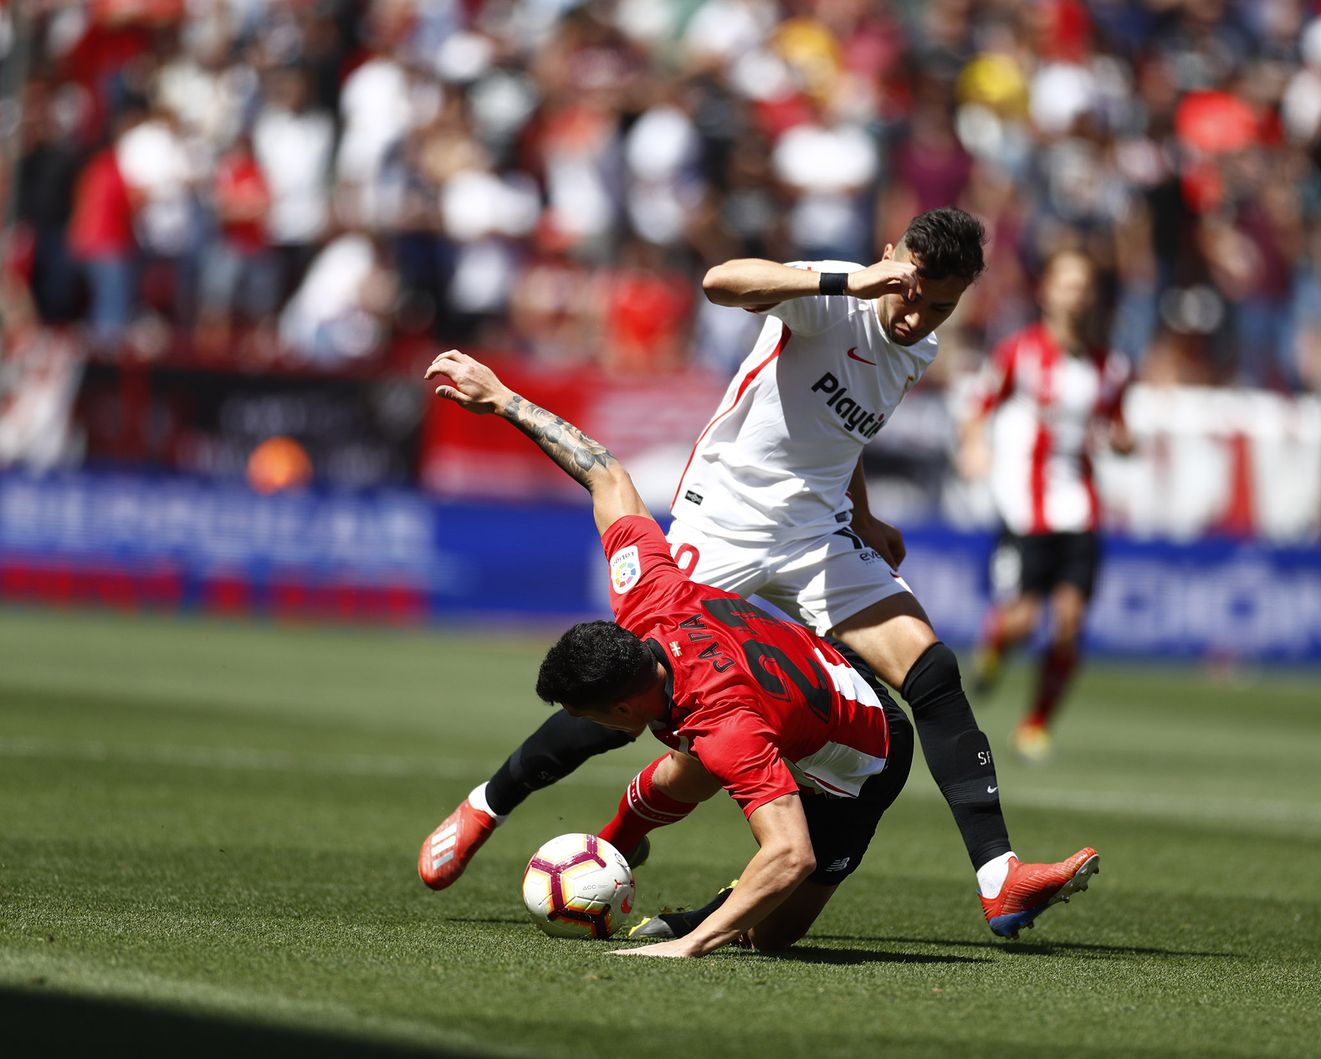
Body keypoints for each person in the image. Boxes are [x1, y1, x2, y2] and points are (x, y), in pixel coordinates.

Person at [420, 207, 1100, 937]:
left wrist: (863, 514)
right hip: (725, 520)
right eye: (911, 294)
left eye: (941, 306)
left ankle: (999, 877)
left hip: (818, 533)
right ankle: (488, 804)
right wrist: (852, 282)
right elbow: (720, 281)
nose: (916, 317)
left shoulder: (920, 347)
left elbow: (840, 433)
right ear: (889, 259)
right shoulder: (830, 296)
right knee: (636, 683)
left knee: (932, 671)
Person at [959, 247, 1135, 761]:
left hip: (1079, 505)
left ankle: (1035, 725)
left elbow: (1118, 426)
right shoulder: (1019, 352)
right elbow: (978, 406)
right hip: (1024, 506)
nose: (1075, 294)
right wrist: (974, 446)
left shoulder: (1111, 365)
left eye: (1083, 285)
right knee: (1021, 620)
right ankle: (996, 642)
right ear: (1047, 292)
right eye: (1066, 283)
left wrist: (1125, 442)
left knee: (1070, 620)